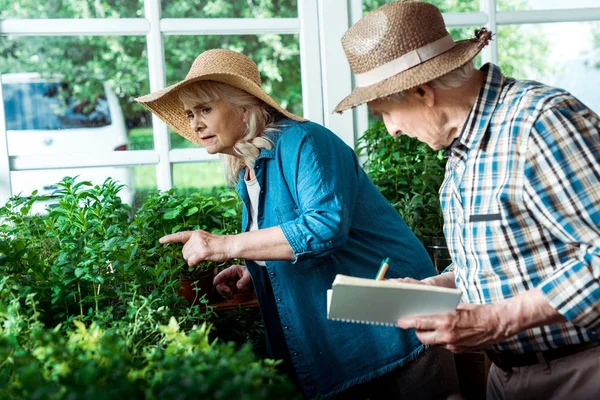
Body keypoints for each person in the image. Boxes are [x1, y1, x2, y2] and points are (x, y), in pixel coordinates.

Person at [136, 49, 459, 399]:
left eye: (205, 109)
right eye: (189, 114)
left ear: (243, 106)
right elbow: (293, 239)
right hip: (350, 321)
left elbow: (324, 227)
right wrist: (256, 267)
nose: (195, 123)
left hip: (397, 313)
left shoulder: (303, 140)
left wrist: (225, 244)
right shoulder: (249, 170)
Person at [334, 1, 600, 399]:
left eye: (385, 113)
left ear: (423, 92)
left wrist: (497, 318)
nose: (390, 131)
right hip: (506, 376)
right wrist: (433, 288)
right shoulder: (461, 152)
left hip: (579, 371)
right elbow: (504, 259)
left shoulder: (541, 122)